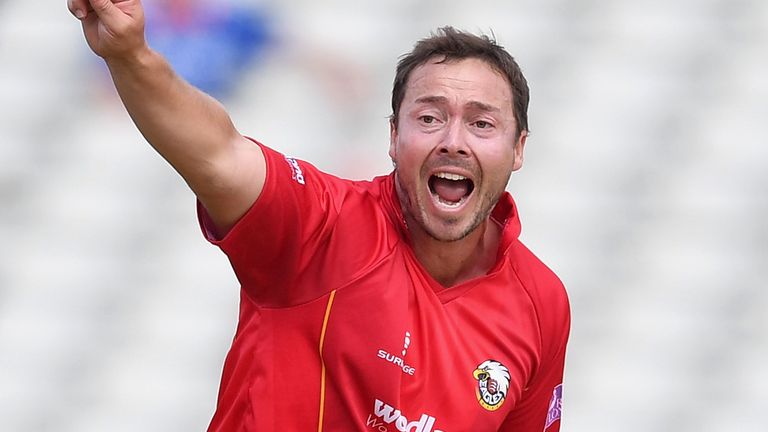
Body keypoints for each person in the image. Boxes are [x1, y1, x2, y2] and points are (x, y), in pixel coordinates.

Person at [68, 0, 571, 430]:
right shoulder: (323, 225)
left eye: (482, 123)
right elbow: (219, 154)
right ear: (394, 138)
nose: (453, 142)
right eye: (430, 118)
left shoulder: (542, 303)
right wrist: (130, 54)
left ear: (518, 148)